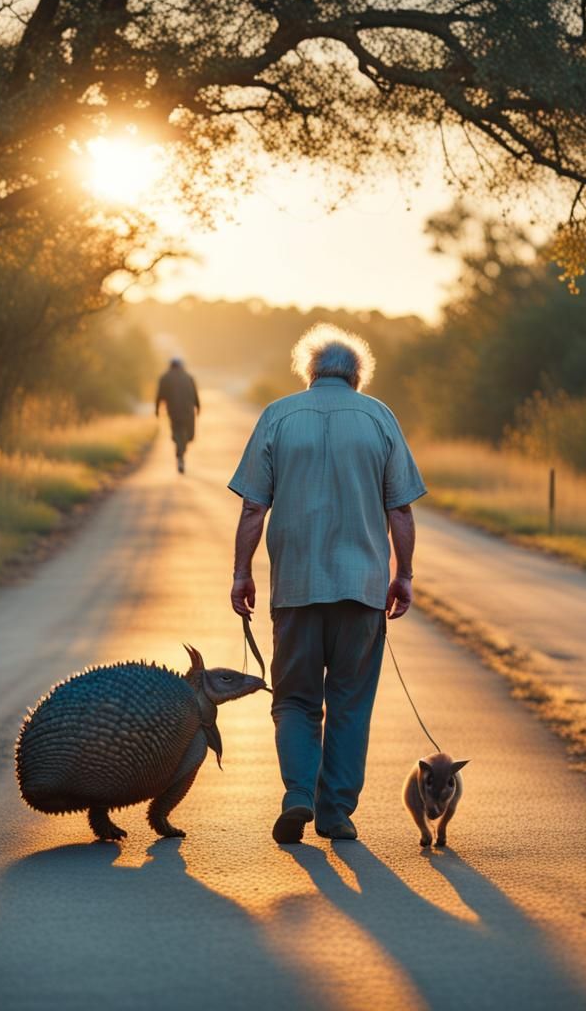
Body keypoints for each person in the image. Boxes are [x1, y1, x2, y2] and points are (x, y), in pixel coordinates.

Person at [228, 323, 426, 844]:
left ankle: (298, 795)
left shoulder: (278, 416)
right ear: (358, 377)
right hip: (361, 592)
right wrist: (402, 576)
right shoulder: (379, 417)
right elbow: (400, 509)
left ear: (309, 372)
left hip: (294, 589)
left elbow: (253, 507)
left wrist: (242, 572)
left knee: (294, 700)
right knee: (349, 703)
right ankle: (334, 812)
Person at [155, 357, 200, 474]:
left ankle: (179, 450)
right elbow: (195, 394)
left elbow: (159, 395)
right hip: (188, 412)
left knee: (177, 433)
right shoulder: (188, 377)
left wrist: (157, 409)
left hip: (173, 412)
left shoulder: (165, 378)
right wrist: (198, 407)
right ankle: (180, 452)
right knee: (189, 436)